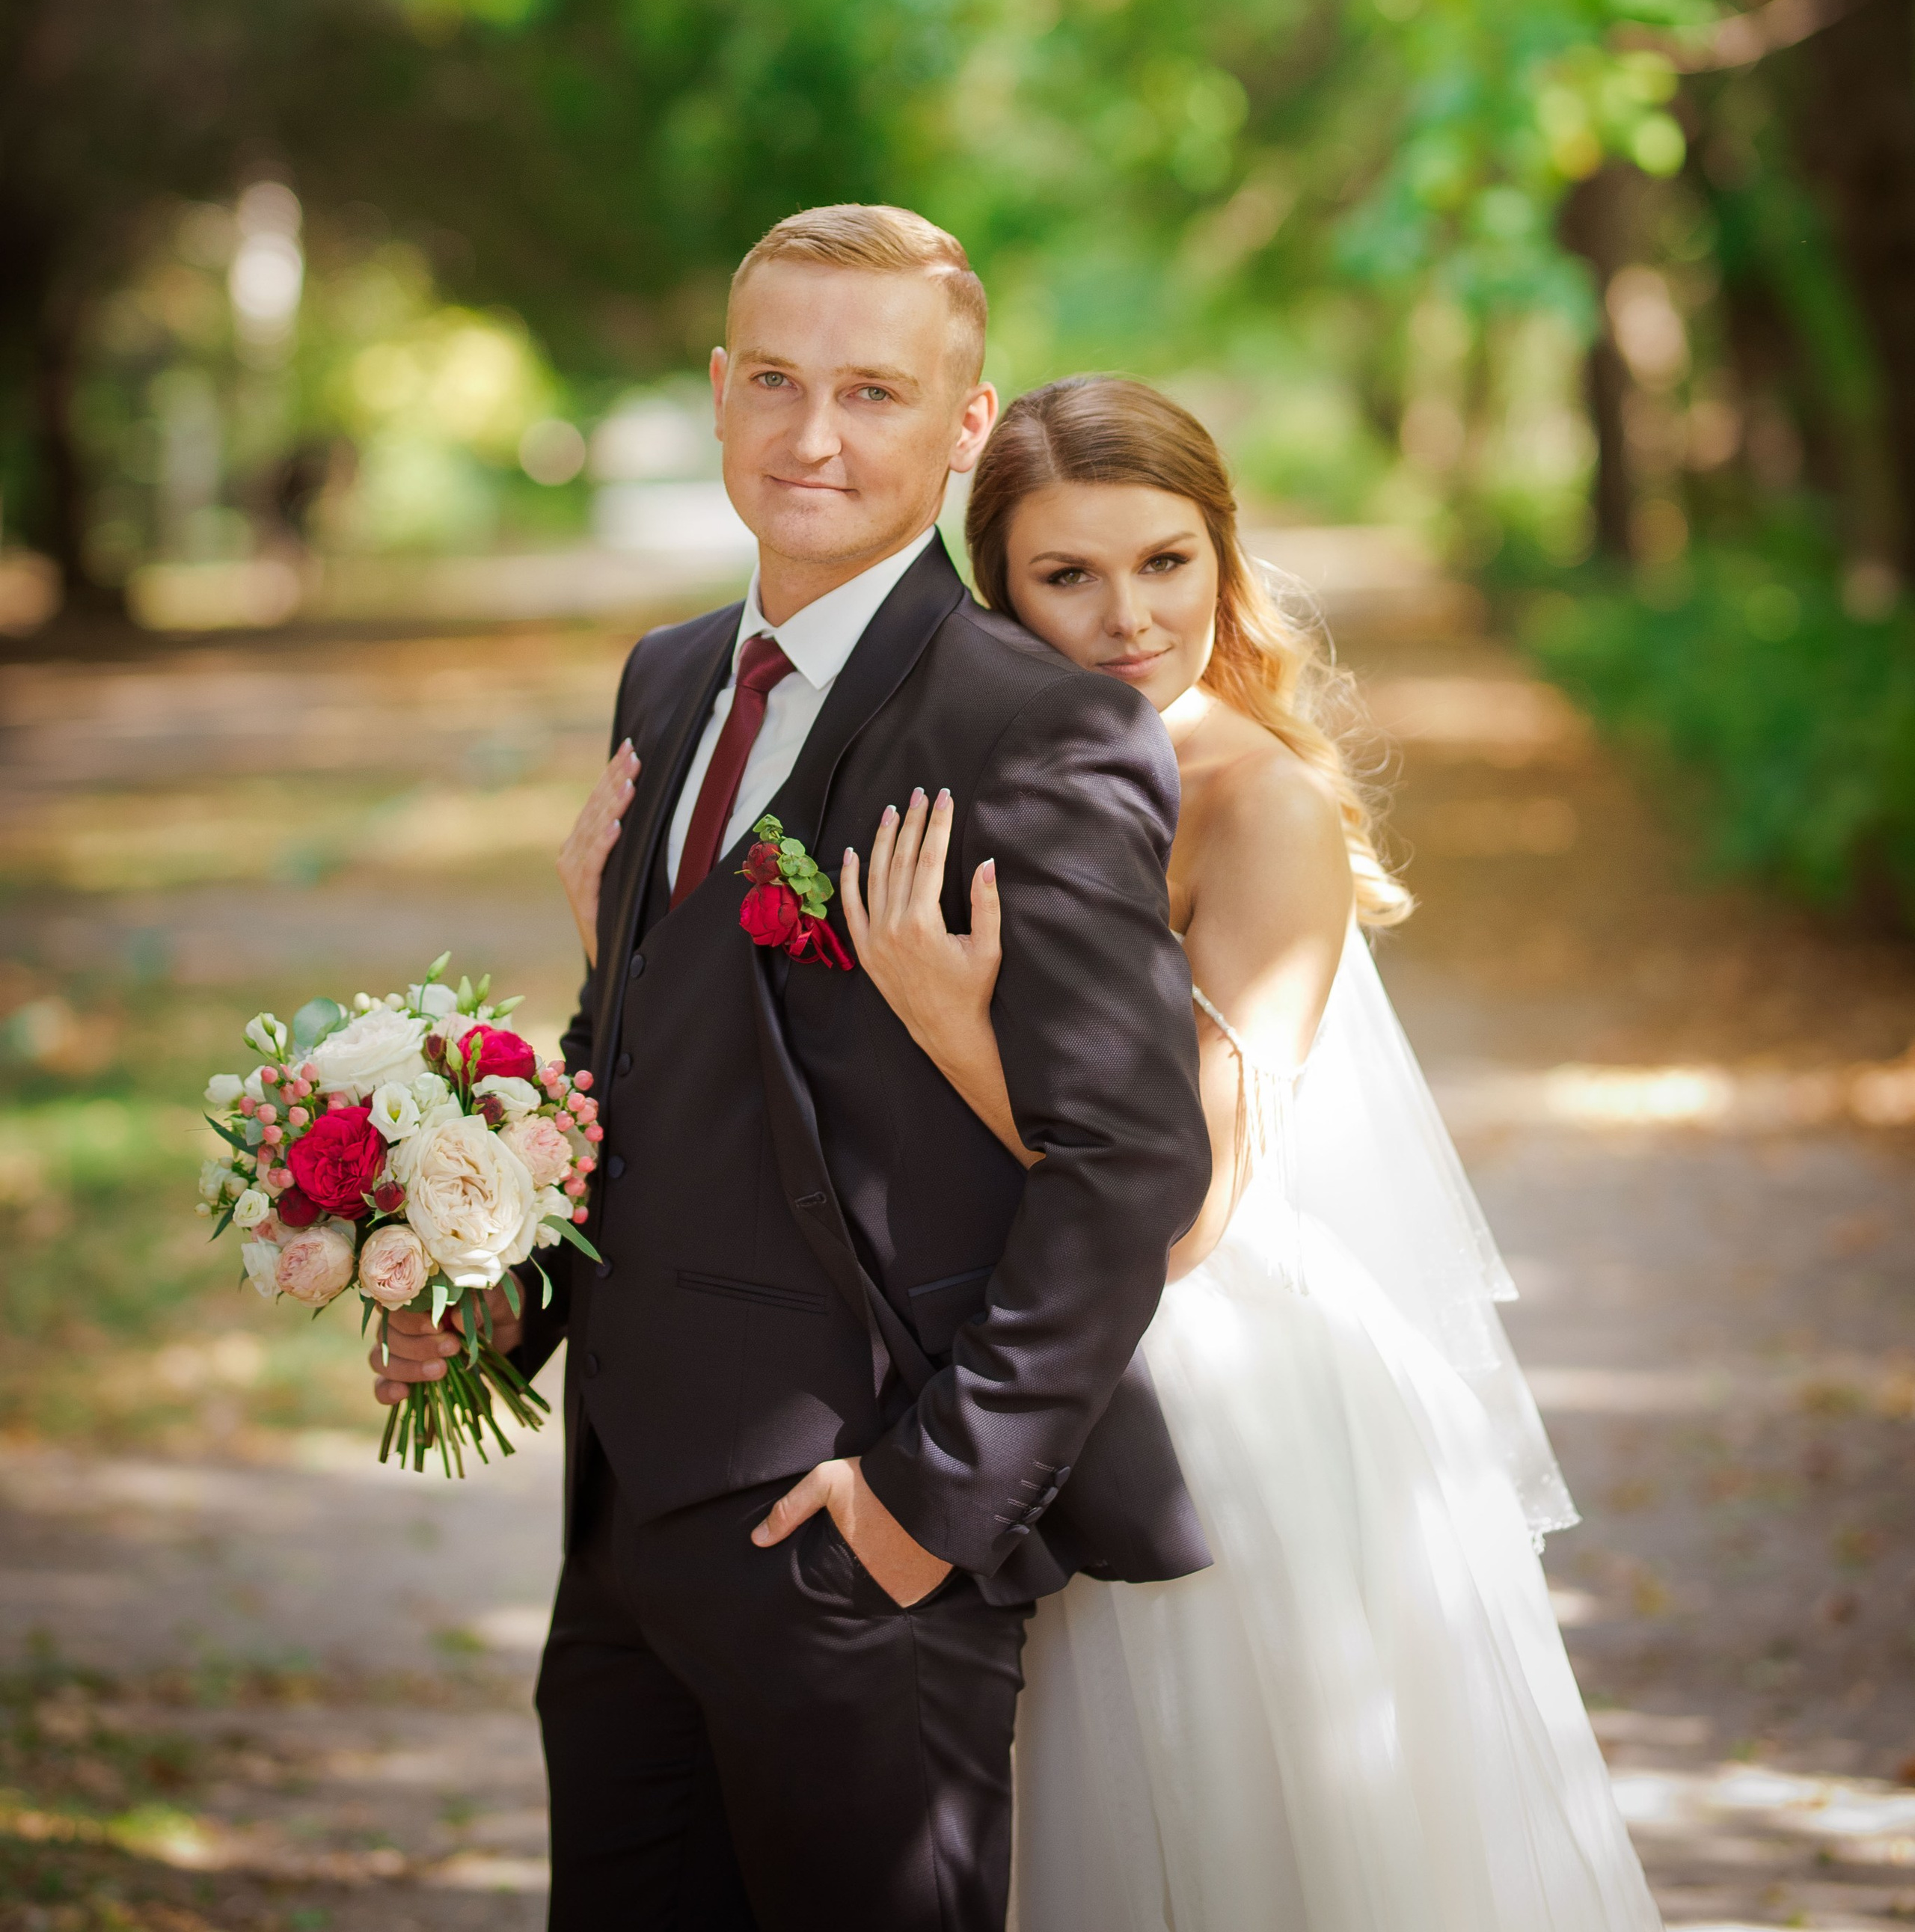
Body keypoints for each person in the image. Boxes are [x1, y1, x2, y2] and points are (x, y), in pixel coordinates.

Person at [367, 211, 1213, 1932]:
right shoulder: (669, 676)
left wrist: (923, 1508)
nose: (809, 435)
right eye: (773, 380)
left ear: (963, 427)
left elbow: (1133, 1163)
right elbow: (645, 1051)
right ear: (715, 390)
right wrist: (490, 1296)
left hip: (856, 1538)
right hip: (621, 1538)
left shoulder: (1032, 728)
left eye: (871, 391)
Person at [845, 373, 1664, 1932]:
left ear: (1220, 553)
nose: (1125, 617)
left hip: (1213, 1385)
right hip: (1028, 1330)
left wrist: (954, 1026)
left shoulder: (1255, 800)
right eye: (1064, 575)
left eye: (1163, 561)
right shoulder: (988, 766)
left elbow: (1186, 1201)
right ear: (996, 585)